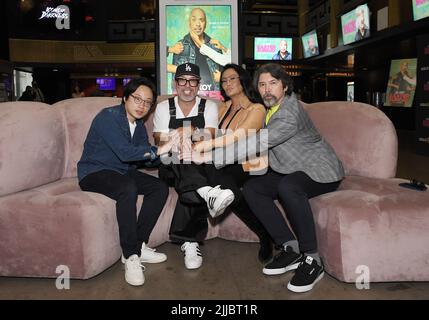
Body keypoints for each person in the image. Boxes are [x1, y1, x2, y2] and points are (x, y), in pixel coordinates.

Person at [189, 63, 345, 292]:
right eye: (262, 85)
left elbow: (258, 142)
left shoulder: (290, 112)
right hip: (292, 168)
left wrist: (211, 157)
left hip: (320, 170)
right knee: (254, 189)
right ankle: (289, 247)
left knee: (289, 187)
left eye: (273, 83)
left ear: (285, 86)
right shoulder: (268, 107)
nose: (267, 89)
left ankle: (312, 259)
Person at [77, 77, 178, 286]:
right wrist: (159, 149)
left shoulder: (139, 125)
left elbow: (144, 157)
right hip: (94, 171)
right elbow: (125, 153)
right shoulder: (108, 117)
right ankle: (130, 254)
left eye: (147, 102)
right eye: (137, 99)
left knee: (159, 188)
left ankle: (139, 245)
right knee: (127, 188)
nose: (142, 105)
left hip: (122, 171)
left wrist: (172, 153)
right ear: (125, 98)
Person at [153, 62, 235, 270]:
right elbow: (158, 137)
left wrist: (185, 132)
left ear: (199, 85)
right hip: (170, 165)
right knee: (184, 158)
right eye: (182, 80)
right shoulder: (163, 107)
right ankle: (208, 193)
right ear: (175, 83)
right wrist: (182, 135)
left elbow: (211, 134)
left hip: (200, 162)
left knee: (196, 176)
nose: (187, 86)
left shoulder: (209, 106)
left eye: (192, 81)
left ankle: (189, 241)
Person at [190, 63, 273, 263]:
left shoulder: (257, 108)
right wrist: (193, 135)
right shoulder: (222, 107)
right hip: (223, 160)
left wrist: (205, 146)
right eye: (224, 81)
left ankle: (264, 236)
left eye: (232, 78)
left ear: (242, 80)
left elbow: (238, 136)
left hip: (248, 161)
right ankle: (265, 235)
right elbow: (211, 133)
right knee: (222, 181)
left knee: (213, 170)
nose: (227, 84)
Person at [168, 7, 223, 92]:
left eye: (201, 20)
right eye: (194, 20)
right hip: (189, 97)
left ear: (205, 24)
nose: (198, 24)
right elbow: (174, 80)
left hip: (213, 97)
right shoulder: (180, 46)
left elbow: (226, 75)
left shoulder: (215, 45)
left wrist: (222, 77)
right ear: (189, 23)